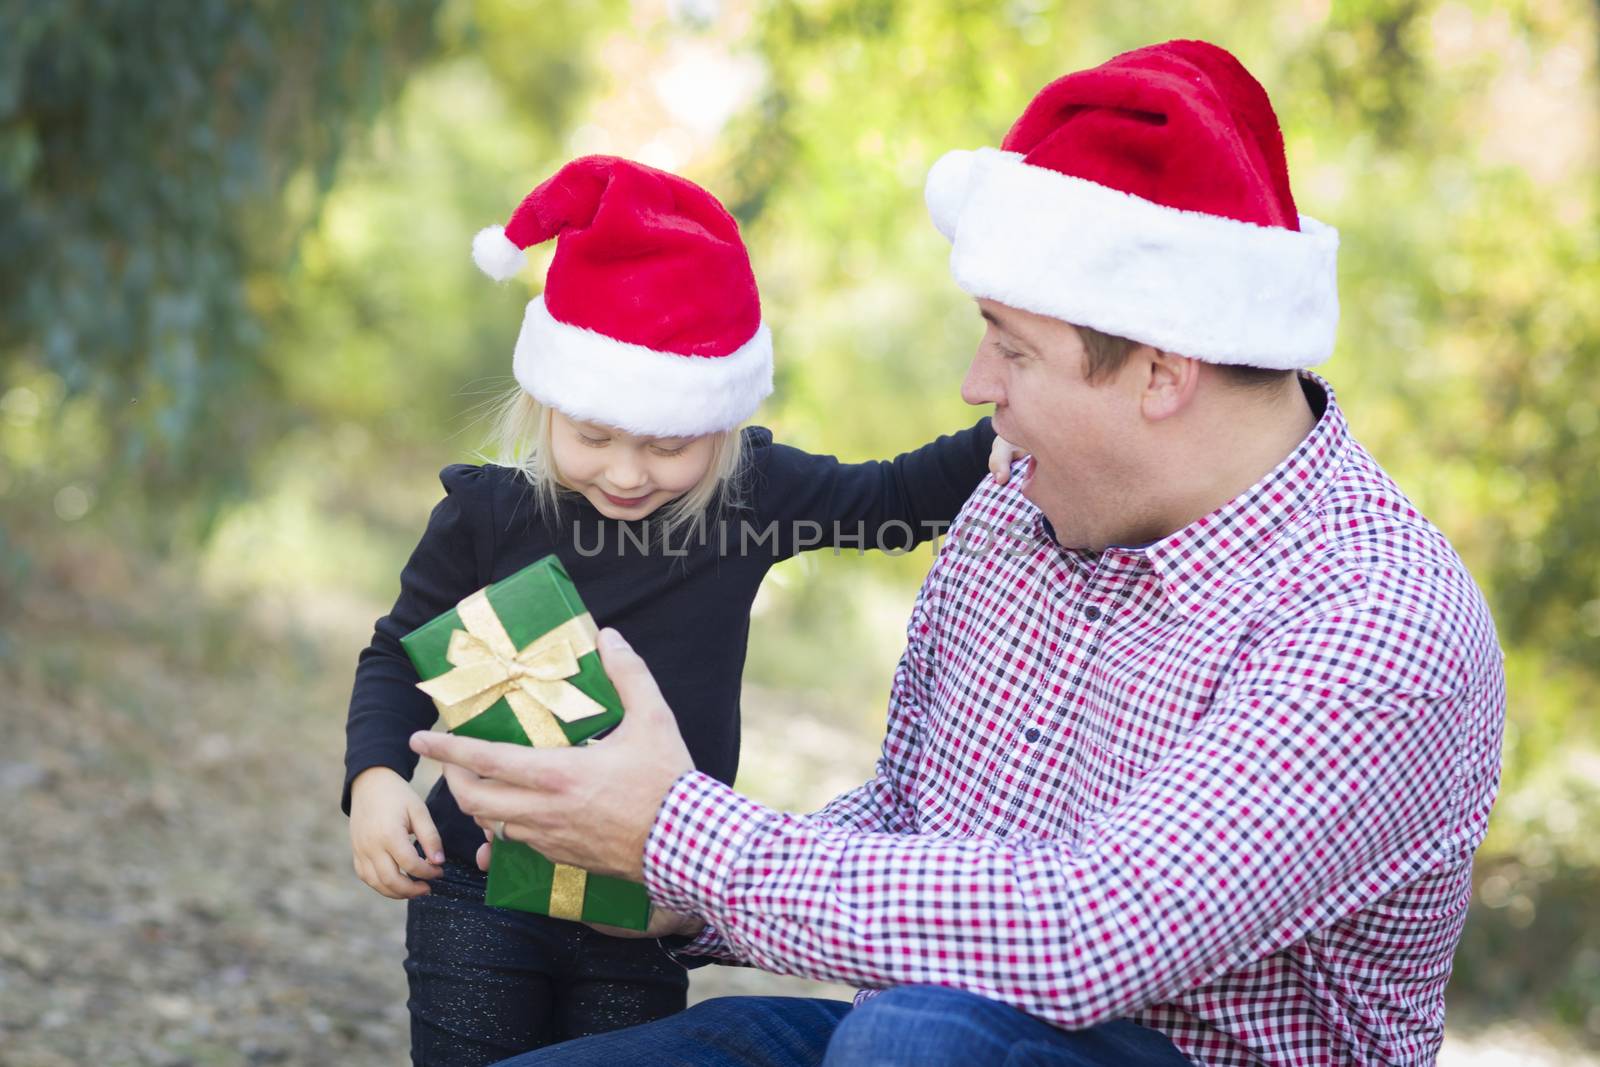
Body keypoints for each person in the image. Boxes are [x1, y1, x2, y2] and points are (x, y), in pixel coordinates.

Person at [410, 41, 1507, 1066]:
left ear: (1162, 373)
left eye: (1013, 346)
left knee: (915, 1037)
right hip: (920, 1029)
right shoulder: (1018, 507)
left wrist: (685, 831)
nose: (977, 387)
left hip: (1127, 1044)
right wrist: (662, 875)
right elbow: (906, 822)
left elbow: (1090, 933)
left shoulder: (1376, 614)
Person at [342, 155, 1015, 1066]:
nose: (626, 472)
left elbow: (892, 497)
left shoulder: (750, 497)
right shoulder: (488, 515)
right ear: (545, 402)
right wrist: (375, 778)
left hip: (642, 897)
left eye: (667, 445)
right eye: (592, 436)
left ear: (722, 422)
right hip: (479, 889)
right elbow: (399, 655)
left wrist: (1012, 429)